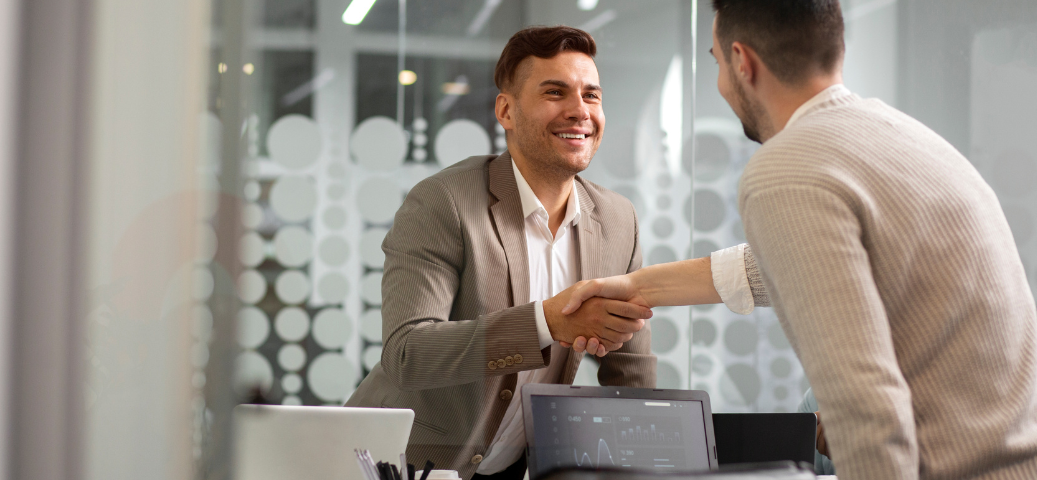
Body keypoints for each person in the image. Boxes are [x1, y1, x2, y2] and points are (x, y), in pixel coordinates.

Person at [560, 0, 1037, 478]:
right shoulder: (907, 139)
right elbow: (792, 264)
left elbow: (860, 398)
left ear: (742, 63)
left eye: (717, 62)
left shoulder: (789, 167)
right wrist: (637, 288)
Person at [346, 26, 656, 480]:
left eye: (592, 95)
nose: (579, 111)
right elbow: (407, 352)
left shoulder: (617, 220)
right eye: (555, 92)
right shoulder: (444, 202)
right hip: (400, 465)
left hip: (510, 467)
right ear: (506, 111)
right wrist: (547, 323)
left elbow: (631, 371)